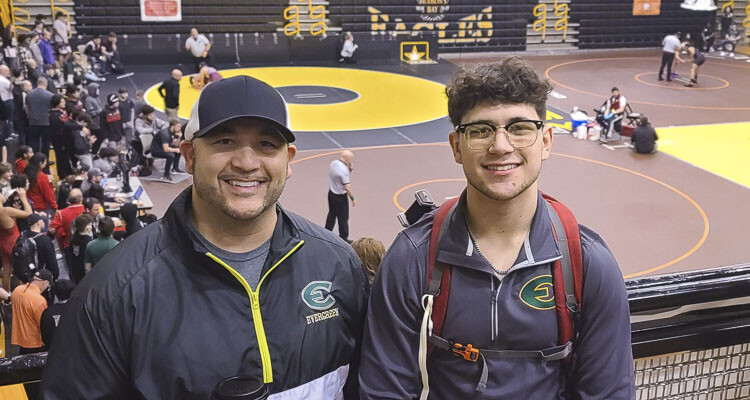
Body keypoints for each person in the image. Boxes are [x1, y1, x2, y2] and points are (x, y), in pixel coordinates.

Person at [41, 75, 369, 398]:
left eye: (267, 144)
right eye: (224, 142)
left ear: (289, 159)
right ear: (190, 154)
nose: (246, 162)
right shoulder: (113, 292)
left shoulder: (338, 265)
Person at [358, 57, 634, 398]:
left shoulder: (588, 264)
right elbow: (384, 392)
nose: (501, 146)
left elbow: (607, 392)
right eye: (480, 130)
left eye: (519, 127)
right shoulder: (411, 259)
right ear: (456, 146)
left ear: (546, 141)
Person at [11, 269, 52, 398]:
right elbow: (43, 324)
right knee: (38, 379)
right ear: (44, 282)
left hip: (21, 341)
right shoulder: (38, 300)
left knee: (25, 378)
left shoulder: (17, 291)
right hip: (36, 343)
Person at [0, 185, 31, 290]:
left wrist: (15, 213)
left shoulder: (5, 212)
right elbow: (28, 213)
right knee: (23, 269)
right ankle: (26, 291)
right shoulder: (5, 210)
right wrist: (23, 197)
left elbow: (7, 223)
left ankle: (6, 297)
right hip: (15, 244)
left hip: (3, 243)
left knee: (6, 270)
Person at [325, 150, 356, 243]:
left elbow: (339, 178)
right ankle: (343, 238)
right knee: (343, 218)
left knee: (332, 214)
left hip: (331, 193)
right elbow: (347, 186)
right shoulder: (343, 170)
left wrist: (349, 169)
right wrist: (353, 199)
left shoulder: (333, 163)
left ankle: (326, 232)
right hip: (340, 196)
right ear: (348, 159)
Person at [40, 278, 76, 349]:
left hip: (53, 350)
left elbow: (44, 335)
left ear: (55, 294)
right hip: (74, 350)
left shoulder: (47, 312)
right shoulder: (77, 310)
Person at [21, 212, 59, 279]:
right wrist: (55, 276)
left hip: (28, 274)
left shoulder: (22, 237)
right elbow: (52, 262)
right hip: (42, 275)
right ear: (38, 223)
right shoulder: (44, 240)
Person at [26, 76, 54, 156]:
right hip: (46, 122)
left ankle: (34, 159)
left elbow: (27, 108)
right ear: (46, 84)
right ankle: (44, 161)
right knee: (46, 143)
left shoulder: (29, 94)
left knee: (33, 142)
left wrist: (29, 116)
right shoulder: (50, 95)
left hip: (33, 122)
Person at [65, 213, 94, 283]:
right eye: (90, 225)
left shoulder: (74, 239)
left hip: (76, 271)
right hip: (85, 273)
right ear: (87, 228)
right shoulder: (89, 242)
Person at [50, 94, 73, 179]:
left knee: (66, 158)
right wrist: (61, 143)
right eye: (62, 102)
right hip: (60, 142)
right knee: (61, 159)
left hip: (66, 140)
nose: (64, 103)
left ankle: (68, 173)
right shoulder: (54, 116)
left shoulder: (62, 112)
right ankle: (63, 176)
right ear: (57, 103)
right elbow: (57, 132)